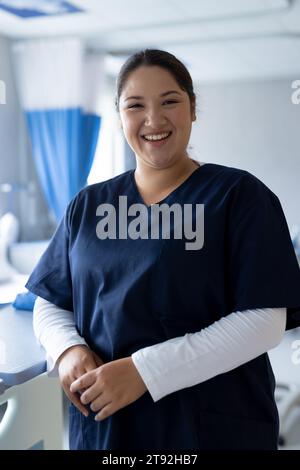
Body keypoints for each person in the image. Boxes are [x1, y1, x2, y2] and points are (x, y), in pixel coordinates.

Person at [26, 49, 300, 450]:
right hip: (107, 426)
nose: (153, 120)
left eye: (170, 101)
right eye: (135, 106)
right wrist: (67, 349)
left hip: (209, 426)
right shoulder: (88, 206)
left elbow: (263, 321)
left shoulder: (239, 197)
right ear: (120, 116)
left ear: (193, 109)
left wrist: (143, 372)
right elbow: (49, 300)